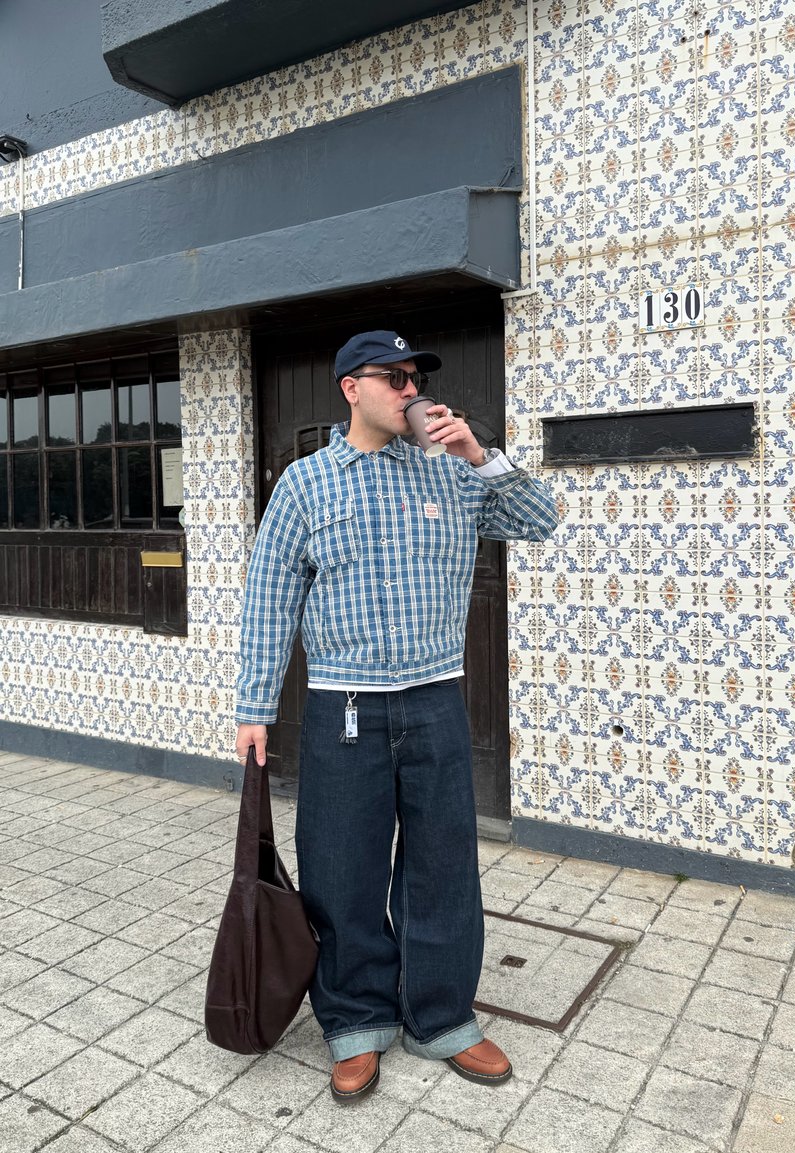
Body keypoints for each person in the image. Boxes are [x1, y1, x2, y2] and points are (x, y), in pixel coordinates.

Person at [235, 329, 558, 1104]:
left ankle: (442, 1016)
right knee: (342, 869)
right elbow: (270, 598)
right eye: (395, 377)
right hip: (342, 707)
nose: (411, 390)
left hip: (436, 699)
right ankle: (355, 1021)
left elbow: (539, 520)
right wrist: (253, 706)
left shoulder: (453, 473)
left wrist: (482, 455)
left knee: (444, 862)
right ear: (352, 387)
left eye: (417, 378)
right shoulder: (306, 484)